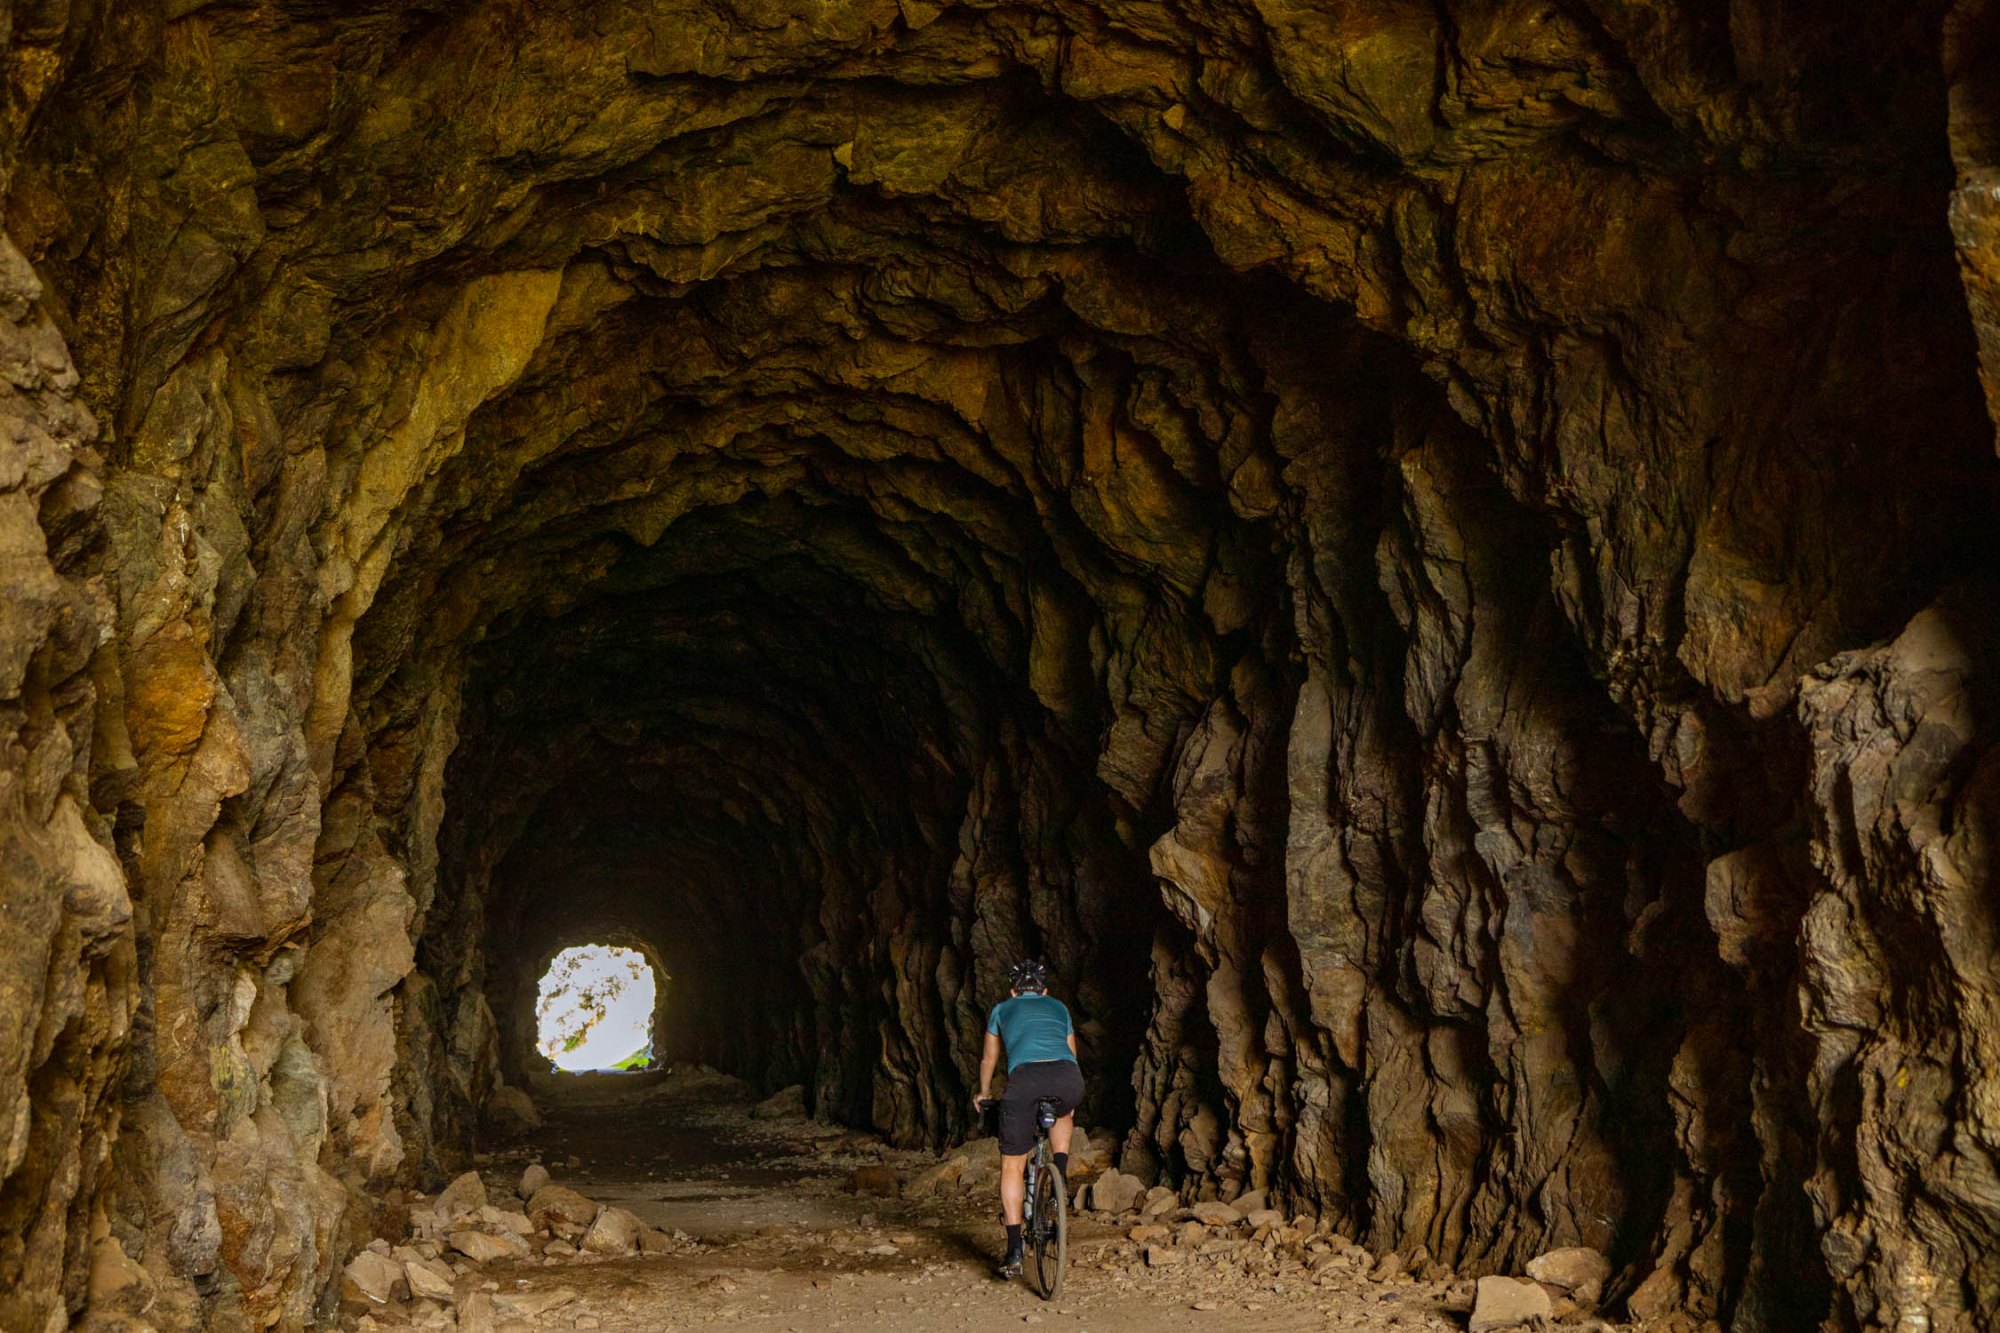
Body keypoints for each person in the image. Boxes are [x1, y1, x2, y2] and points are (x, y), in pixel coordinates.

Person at [974, 959, 1084, 1277]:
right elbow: (1071, 1055)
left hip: (1024, 1082)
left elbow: (988, 1059)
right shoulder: (1060, 1007)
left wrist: (983, 1094)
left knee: (1012, 1165)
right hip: (1068, 1077)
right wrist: (1070, 1095)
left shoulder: (1000, 1010)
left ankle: (1014, 1251)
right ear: (1044, 991)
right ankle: (1059, 1174)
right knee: (1064, 1109)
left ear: (1013, 991)